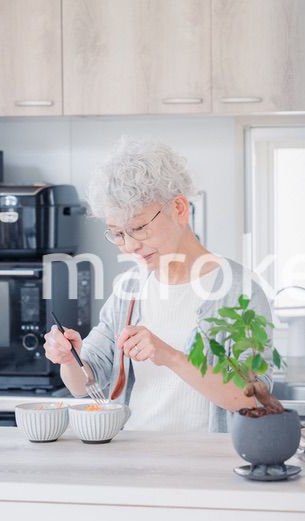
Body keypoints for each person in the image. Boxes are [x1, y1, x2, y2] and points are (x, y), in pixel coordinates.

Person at [43, 138, 273, 432]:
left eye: (138, 228)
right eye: (117, 233)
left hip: (208, 465)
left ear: (178, 208)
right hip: (136, 458)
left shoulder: (238, 290)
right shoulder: (129, 290)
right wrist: (68, 358)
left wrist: (171, 356)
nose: (128, 245)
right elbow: (84, 383)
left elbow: (253, 398)